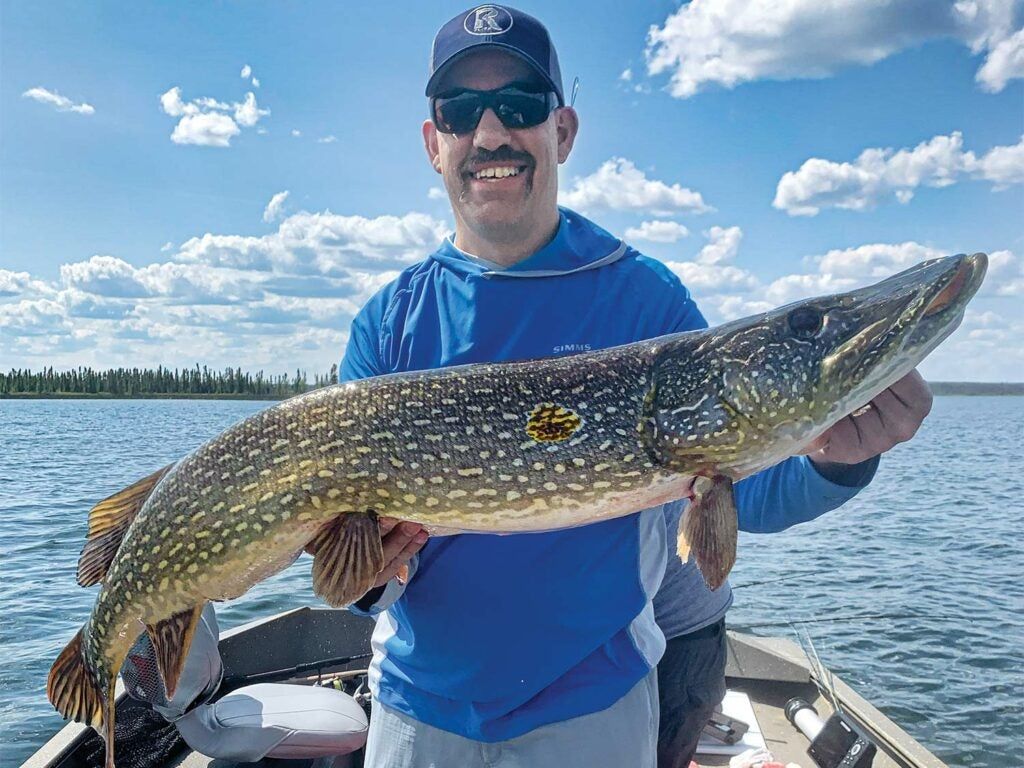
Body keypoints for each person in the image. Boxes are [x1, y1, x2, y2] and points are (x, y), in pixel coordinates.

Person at [337, 6, 934, 768]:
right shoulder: (388, 323)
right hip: (419, 709)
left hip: (596, 707)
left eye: (520, 107)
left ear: (562, 132)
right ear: (435, 142)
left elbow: (739, 485)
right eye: (461, 111)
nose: (491, 134)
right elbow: (349, 565)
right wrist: (367, 573)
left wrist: (839, 459)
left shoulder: (644, 298)